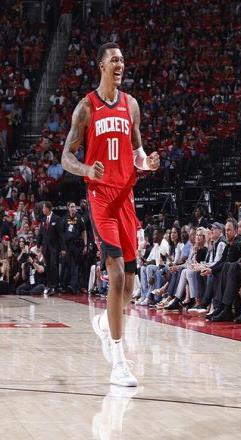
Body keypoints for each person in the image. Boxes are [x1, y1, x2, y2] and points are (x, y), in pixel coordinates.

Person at [61, 42, 160, 387]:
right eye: (114, 60)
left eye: (122, 60)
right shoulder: (86, 107)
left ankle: (105, 323)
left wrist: (147, 163)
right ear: (101, 65)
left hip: (126, 198)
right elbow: (66, 157)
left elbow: (137, 151)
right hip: (101, 198)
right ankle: (118, 361)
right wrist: (87, 169)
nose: (120, 64)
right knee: (116, 276)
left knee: (130, 285)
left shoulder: (131, 104)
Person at [37, 201, 64, 294]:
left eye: (44, 208)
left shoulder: (57, 219)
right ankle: (49, 285)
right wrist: (38, 245)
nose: (43, 209)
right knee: (48, 266)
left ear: (48, 209)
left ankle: (55, 286)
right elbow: (40, 234)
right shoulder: (43, 219)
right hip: (45, 248)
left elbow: (61, 235)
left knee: (54, 266)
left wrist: (63, 248)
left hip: (54, 248)